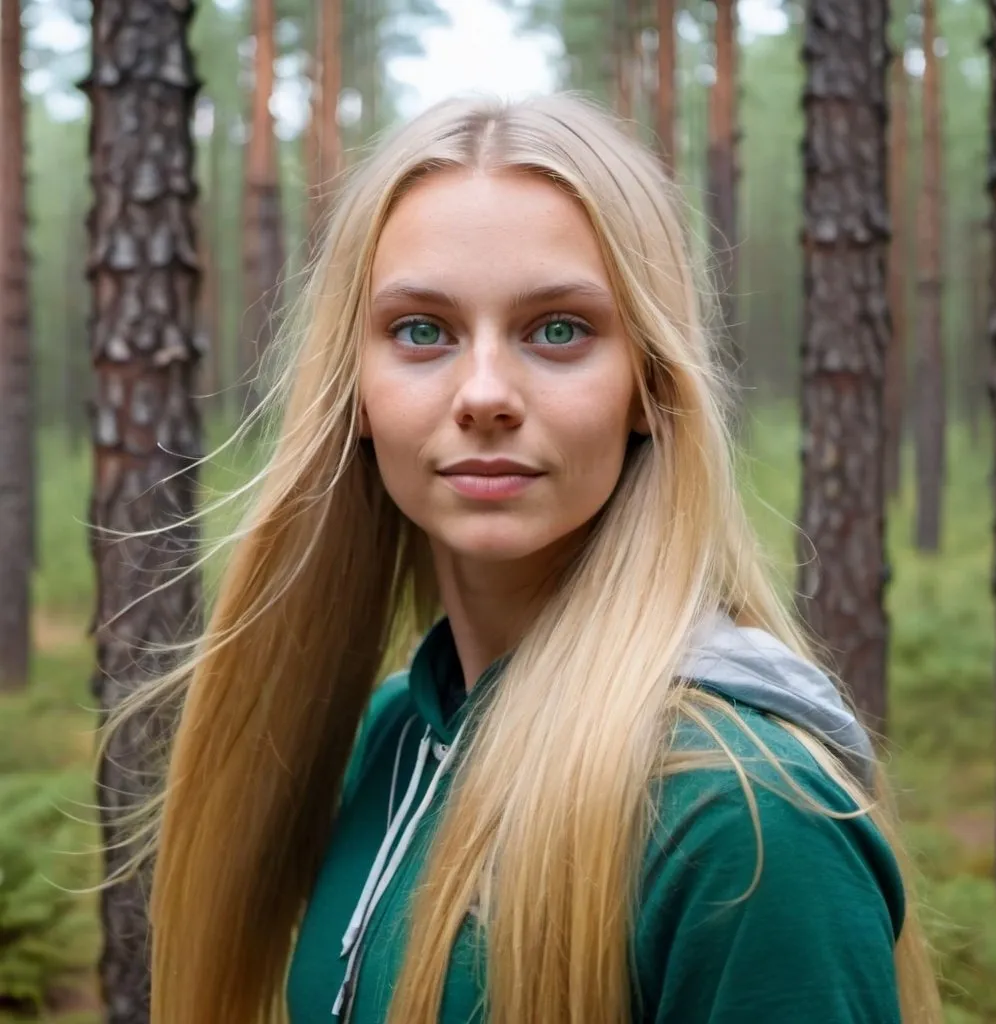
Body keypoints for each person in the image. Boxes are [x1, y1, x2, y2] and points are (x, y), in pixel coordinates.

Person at [118, 93, 942, 1023]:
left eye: (558, 330)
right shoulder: (398, 733)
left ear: (649, 386)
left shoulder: (743, 819)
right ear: (355, 389)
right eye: (421, 331)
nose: (484, 394)